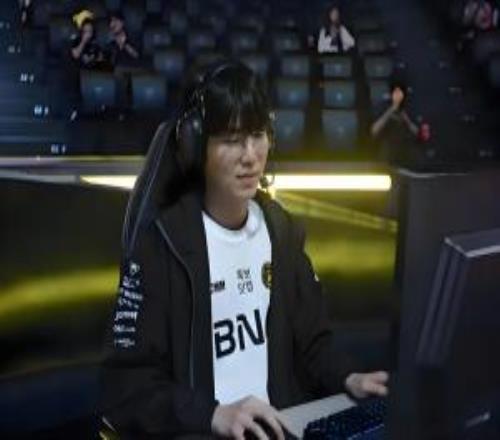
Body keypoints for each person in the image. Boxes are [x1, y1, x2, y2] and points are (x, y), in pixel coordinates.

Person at [100, 60, 389, 439]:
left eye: (257, 135)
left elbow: (313, 343)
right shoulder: (161, 245)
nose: (250, 156)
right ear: (196, 146)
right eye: (231, 140)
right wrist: (212, 415)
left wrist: (348, 377)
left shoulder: (282, 232)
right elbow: (126, 386)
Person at [370, 82, 421, 163]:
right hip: (386, 156)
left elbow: (418, 134)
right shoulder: (383, 107)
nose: (398, 95)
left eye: (400, 92)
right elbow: (374, 131)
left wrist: (405, 118)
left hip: (407, 155)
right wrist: (390, 111)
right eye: (396, 92)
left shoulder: (410, 107)